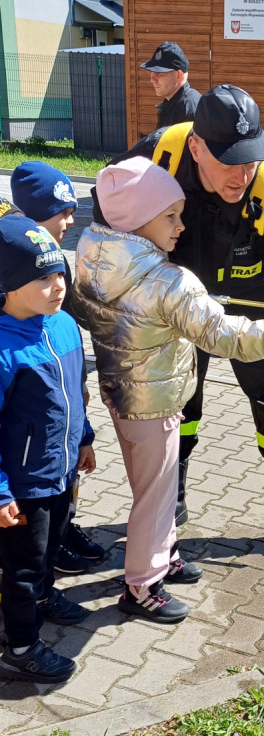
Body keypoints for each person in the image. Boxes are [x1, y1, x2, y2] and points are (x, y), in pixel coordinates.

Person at [74, 158, 264, 623]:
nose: (182, 226)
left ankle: (165, 552)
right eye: (171, 216)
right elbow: (227, 336)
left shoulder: (92, 256)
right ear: (137, 219)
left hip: (122, 397)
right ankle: (142, 586)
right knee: (154, 499)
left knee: (153, 487)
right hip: (156, 403)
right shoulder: (171, 282)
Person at [101, 84, 264, 571]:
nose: (242, 173)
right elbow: (109, 203)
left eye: (250, 158)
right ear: (196, 147)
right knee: (180, 402)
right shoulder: (162, 152)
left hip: (257, 307)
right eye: (229, 160)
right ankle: (174, 494)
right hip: (180, 304)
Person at [0, 217, 95, 683]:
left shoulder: (65, 326)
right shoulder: (4, 347)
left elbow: (76, 393)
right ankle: (20, 647)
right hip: (24, 485)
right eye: (43, 278)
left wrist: (86, 438)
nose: (59, 286)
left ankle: (43, 596)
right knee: (21, 566)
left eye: (60, 273)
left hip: (62, 469)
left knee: (51, 546)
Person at [10, 161, 106, 576]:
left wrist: (78, 380)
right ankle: (41, 548)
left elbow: (65, 321)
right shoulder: (16, 260)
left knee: (66, 471)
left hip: (62, 375)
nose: (70, 221)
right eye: (62, 212)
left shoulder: (54, 256)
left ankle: (63, 530)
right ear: (33, 214)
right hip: (29, 383)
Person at [141, 41, 201, 129]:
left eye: (160, 73)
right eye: (152, 72)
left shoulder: (187, 108)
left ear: (178, 75)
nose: (152, 79)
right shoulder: (173, 104)